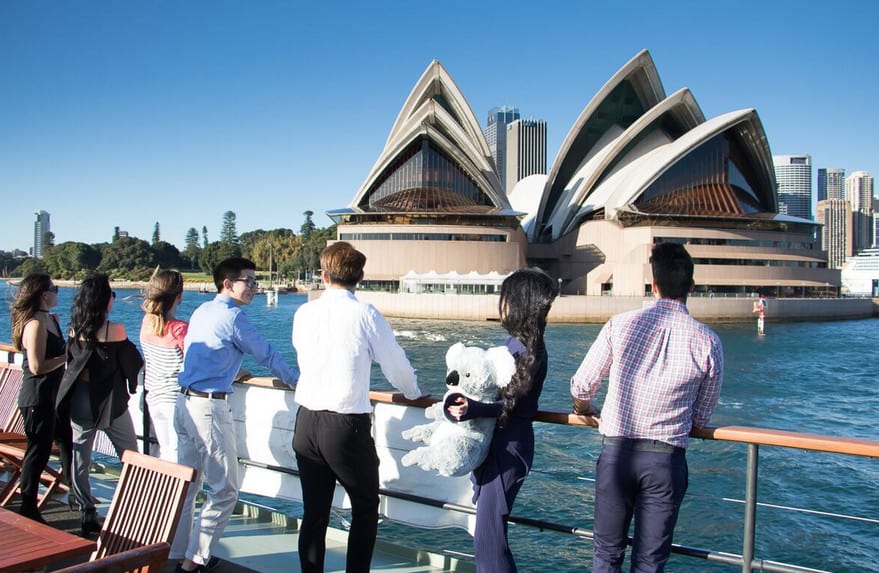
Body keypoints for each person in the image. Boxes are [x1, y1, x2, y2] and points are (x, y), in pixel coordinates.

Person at [570, 242, 724, 573]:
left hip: (616, 455)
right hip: (665, 461)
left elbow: (582, 385)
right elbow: (702, 416)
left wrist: (583, 408)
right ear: (691, 287)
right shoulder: (708, 341)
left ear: (653, 286)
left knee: (606, 553)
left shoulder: (620, 324)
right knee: (650, 562)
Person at [291, 242, 424, 573]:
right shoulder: (365, 314)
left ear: (323, 275)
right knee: (365, 508)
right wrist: (413, 392)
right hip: (345, 426)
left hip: (305, 422)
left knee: (314, 513)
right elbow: (396, 367)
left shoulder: (304, 312)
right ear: (359, 277)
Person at [172, 257, 299, 573]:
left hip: (184, 402)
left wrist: (231, 368)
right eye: (250, 281)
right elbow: (267, 355)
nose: (255, 288)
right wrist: (301, 384)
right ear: (228, 283)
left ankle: (175, 554)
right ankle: (193, 563)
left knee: (188, 486)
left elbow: (202, 352)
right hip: (208, 410)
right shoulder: (233, 317)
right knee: (224, 490)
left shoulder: (202, 311)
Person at [445, 268, 558, 572]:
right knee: (488, 537)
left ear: (520, 303)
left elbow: (508, 403)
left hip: (508, 447)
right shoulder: (521, 345)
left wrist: (471, 409)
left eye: (506, 298)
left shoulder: (525, 349)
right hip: (504, 442)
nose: (502, 304)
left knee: (489, 540)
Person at [57, 273, 143, 536]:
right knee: (131, 456)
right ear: (106, 300)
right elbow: (132, 363)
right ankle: (132, 509)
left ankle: (86, 511)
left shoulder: (75, 328)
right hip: (109, 402)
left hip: (80, 399)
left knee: (80, 456)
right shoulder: (114, 330)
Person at [10, 272, 72, 524]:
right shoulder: (35, 323)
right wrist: (67, 356)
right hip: (37, 396)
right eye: (54, 288)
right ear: (44, 294)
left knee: (66, 440)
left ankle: (74, 491)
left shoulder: (51, 319)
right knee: (38, 451)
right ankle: (28, 506)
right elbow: (36, 366)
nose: (58, 291)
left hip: (53, 397)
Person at [139, 269, 187, 461]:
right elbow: (196, 364)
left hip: (154, 396)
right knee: (178, 455)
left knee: (164, 451)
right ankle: (176, 492)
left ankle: (161, 490)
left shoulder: (147, 322)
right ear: (179, 296)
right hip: (174, 398)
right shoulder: (180, 329)